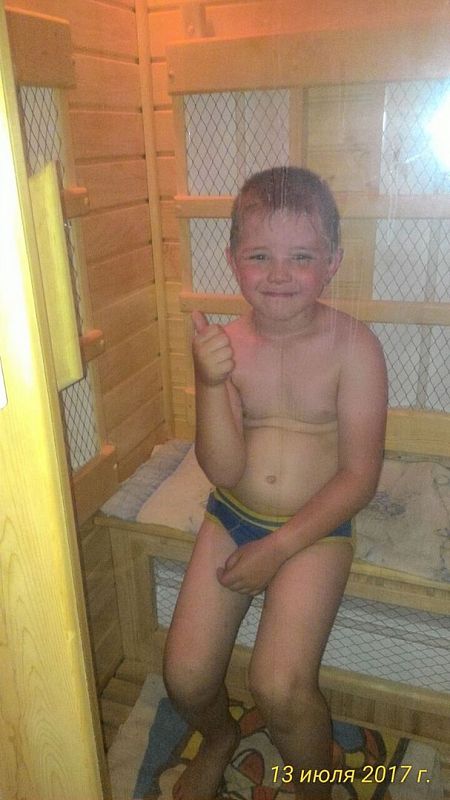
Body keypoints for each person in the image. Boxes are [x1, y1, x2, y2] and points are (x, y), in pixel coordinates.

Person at [163, 166, 388, 800]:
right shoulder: (227, 346)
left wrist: (279, 547)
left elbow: (360, 476)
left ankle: (314, 787)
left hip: (315, 532)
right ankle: (218, 738)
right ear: (232, 260)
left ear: (332, 262)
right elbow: (223, 470)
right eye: (260, 255)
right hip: (232, 515)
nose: (279, 273)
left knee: (279, 686)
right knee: (185, 676)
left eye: (301, 257)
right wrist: (210, 382)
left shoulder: (356, 347)